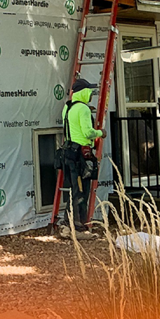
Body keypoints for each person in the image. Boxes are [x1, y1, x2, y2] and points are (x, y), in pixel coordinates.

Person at [60, 78, 107, 239]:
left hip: (68, 152)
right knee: (82, 190)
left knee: (74, 188)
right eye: (90, 91)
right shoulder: (84, 109)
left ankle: (68, 221)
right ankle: (78, 226)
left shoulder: (67, 107)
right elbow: (87, 133)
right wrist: (101, 132)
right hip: (81, 155)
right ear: (84, 92)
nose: (91, 94)